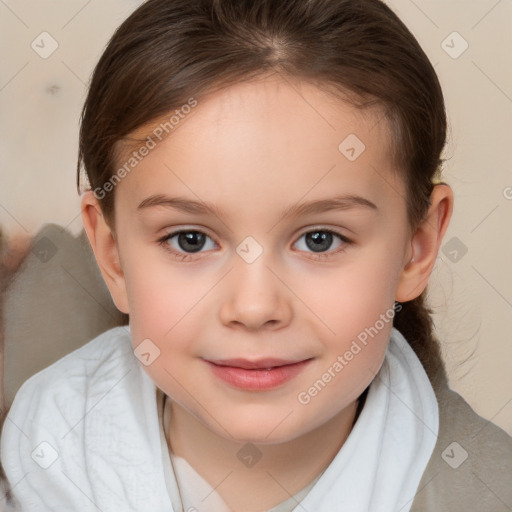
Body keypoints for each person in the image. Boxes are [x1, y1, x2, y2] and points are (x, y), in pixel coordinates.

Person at [1, 0, 511, 510]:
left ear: (415, 250)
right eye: (190, 240)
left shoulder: (485, 490)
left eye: (320, 239)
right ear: (112, 255)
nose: (253, 306)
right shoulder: (38, 451)